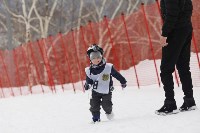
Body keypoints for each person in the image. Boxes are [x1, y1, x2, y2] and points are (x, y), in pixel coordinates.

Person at [156, 0, 197, 115]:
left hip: (175, 31)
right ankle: (189, 101)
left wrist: (164, 34)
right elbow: (189, 9)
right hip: (186, 28)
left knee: (166, 69)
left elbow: (172, 15)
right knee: (183, 67)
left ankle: (170, 104)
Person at [84, 44, 127, 123]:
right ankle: (96, 118)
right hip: (95, 91)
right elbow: (88, 80)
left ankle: (109, 112)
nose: (96, 59)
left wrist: (123, 81)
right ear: (90, 59)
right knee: (94, 105)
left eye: (98, 57)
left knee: (106, 105)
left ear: (101, 57)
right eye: (93, 58)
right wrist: (87, 85)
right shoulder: (89, 71)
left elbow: (117, 75)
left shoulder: (108, 67)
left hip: (106, 91)